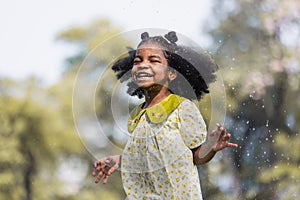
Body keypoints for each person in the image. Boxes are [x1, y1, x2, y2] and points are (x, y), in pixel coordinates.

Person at [92, 31, 238, 199]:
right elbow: (146, 156)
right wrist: (119, 160)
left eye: (153, 60)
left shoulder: (182, 108)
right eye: (138, 61)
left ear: (172, 73)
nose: (143, 65)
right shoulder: (137, 116)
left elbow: (195, 155)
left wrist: (210, 148)